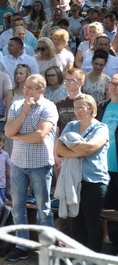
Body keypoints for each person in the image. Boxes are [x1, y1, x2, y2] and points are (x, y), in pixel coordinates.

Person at [4, 74, 58, 262]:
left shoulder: (49, 107)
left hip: (40, 164)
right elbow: (8, 132)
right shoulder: (17, 105)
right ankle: (22, 246)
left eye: (30, 87)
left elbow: (39, 135)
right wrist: (24, 111)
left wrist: (18, 136)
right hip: (19, 163)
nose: (25, 90)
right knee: (18, 208)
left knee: (43, 209)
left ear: (40, 90)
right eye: (25, 86)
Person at [54, 94, 109, 252]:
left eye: (81, 107)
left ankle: (92, 257)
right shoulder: (71, 125)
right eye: (75, 108)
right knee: (76, 220)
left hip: (94, 181)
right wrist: (79, 151)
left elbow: (90, 148)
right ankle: (79, 257)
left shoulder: (100, 128)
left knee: (91, 221)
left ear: (91, 108)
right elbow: (59, 149)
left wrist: (72, 150)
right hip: (73, 180)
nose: (77, 111)